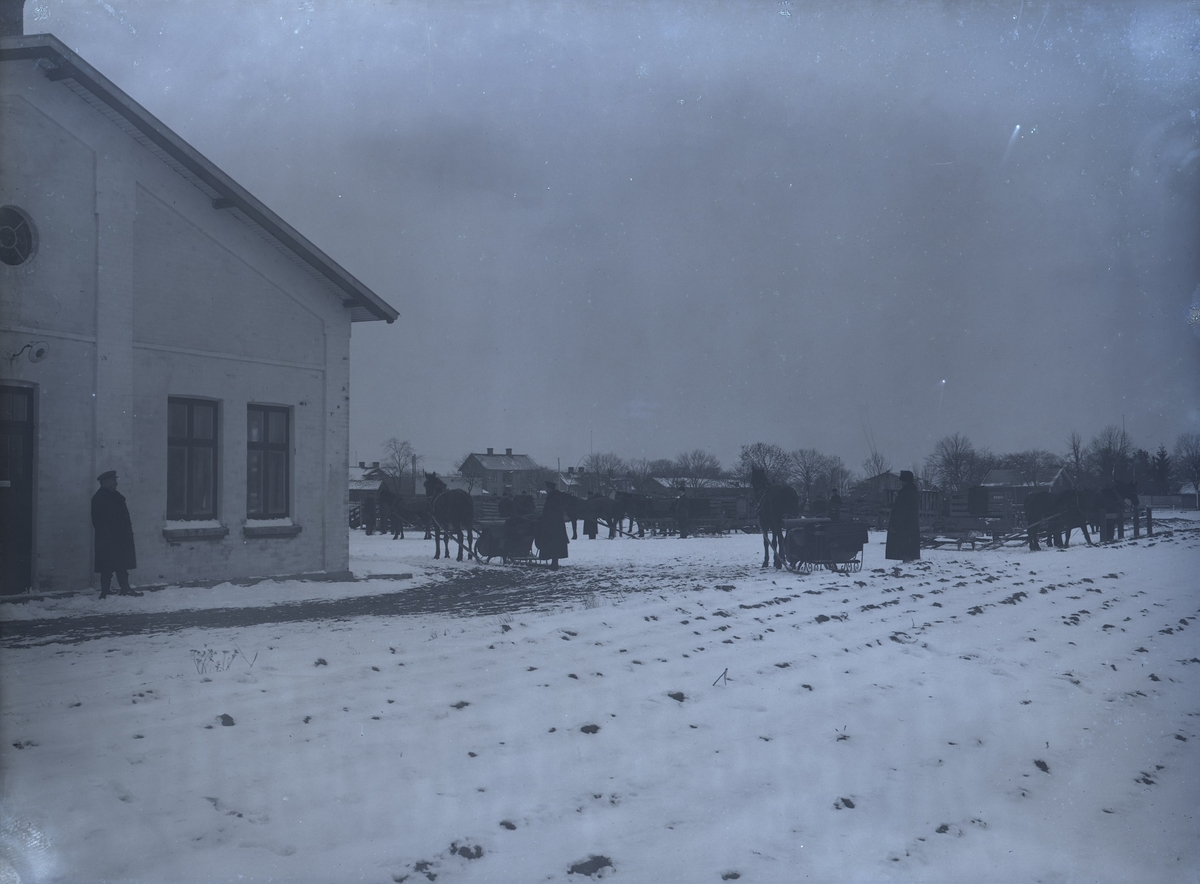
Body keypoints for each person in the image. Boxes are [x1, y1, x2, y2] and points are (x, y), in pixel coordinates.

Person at [91, 470, 138, 598]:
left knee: (122, 564)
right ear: (104, 482)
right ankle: (105, 591)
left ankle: (125, 589)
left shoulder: (115, 496)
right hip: (109, 539)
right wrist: (109, 537)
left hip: (120, 538)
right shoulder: (100, 498)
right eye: (113, 480)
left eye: (115, 480)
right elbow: (98, 521)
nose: (115, 482)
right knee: (107, 565)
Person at [885, 471, 921, 561]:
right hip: (910, 525)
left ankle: (906, 563)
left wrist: (894, 524)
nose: (901, 483)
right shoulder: (913, 492)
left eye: (902, 481)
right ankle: (909, 561)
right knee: (909, 549)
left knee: (903, 549)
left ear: (905, 481)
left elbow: (901, 511)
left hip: (903, 527)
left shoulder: (906, 493)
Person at [537, 481, 569, 569]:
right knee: (555, 544)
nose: (546, 489)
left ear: (550, 488)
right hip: (555, 525)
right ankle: (554, 563)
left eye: (546, 488)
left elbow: (551, 513)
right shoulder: (555, 497)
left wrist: (544, 520)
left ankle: (554, 564)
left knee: (553, 544)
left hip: (552, 526)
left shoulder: (553, 498)